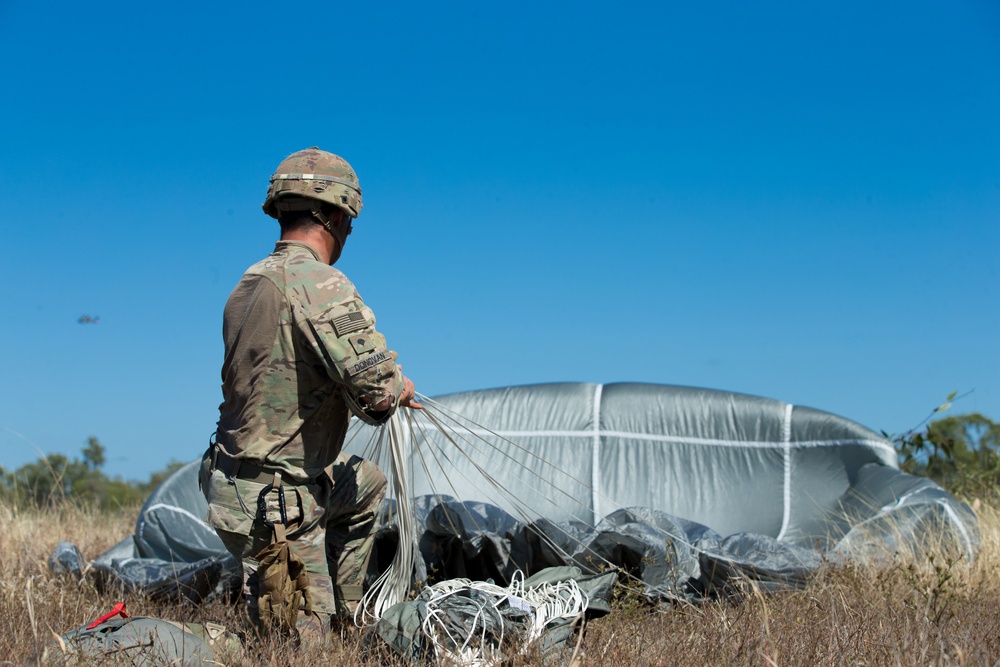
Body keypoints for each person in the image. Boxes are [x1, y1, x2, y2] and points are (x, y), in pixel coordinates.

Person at [200, 147, 420, 642]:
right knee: (300, 651)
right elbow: (377, 397)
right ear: (337, 216)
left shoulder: (248, 283)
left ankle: (347, 619)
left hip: (235, 481)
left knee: (364, 484)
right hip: (274, 503)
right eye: (349, 222)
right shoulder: (321, 283)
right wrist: (399, 386)